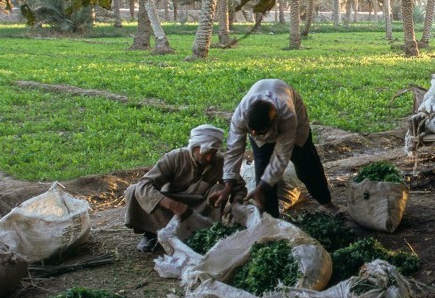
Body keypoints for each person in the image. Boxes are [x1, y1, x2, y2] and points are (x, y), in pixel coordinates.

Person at [210, 79, 336, 217]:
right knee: (263, 169)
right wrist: (228, 185)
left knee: (306, 164)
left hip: (294, 123)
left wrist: (261, 187)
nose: (254, 135)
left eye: (259, 132)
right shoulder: (240, 116)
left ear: (274, 122)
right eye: (252, 132)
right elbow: (234, 150)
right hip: (262, 119)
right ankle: (271, 218)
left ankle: (326, 203)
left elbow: (282, 155)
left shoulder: (287, 115)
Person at [124, 123, 226, 253]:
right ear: (194, 147)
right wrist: (172, 205)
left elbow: (236, 185)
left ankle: (204, 233)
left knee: (219, 188)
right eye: (205, 152)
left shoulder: (218, 162)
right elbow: (145, 184)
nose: (209, 157)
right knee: (134, 190)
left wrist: (234, 198)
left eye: (214, 152)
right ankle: (152, 233)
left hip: (197, 208)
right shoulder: (174, 158)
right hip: (169, 207)